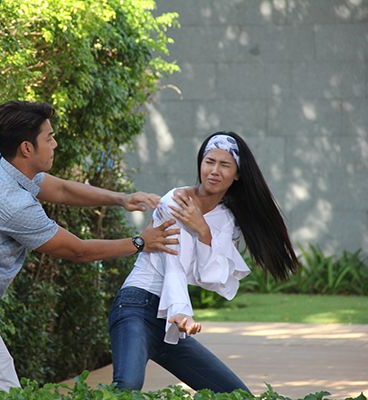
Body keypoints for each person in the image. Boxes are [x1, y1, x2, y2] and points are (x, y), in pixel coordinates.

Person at [0, 100, 183, 392]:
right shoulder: (11, 202)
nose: (55, 144)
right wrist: (140, 242)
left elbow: (60, 189)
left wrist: (120, 199)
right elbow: (78, 251)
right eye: (49, 138)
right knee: (5, 395)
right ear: (27, 148)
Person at [109, 132, 299, 393]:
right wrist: (181, 311)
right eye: (209, 161)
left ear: (237, 174)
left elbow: (213, 277)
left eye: (224, 165)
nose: (214, 171)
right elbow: (172, 261)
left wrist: (204, 231)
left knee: (236, 395)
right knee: (127, 386)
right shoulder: (175, 201)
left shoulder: (226, 219)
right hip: (137, 306)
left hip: (169, 319)